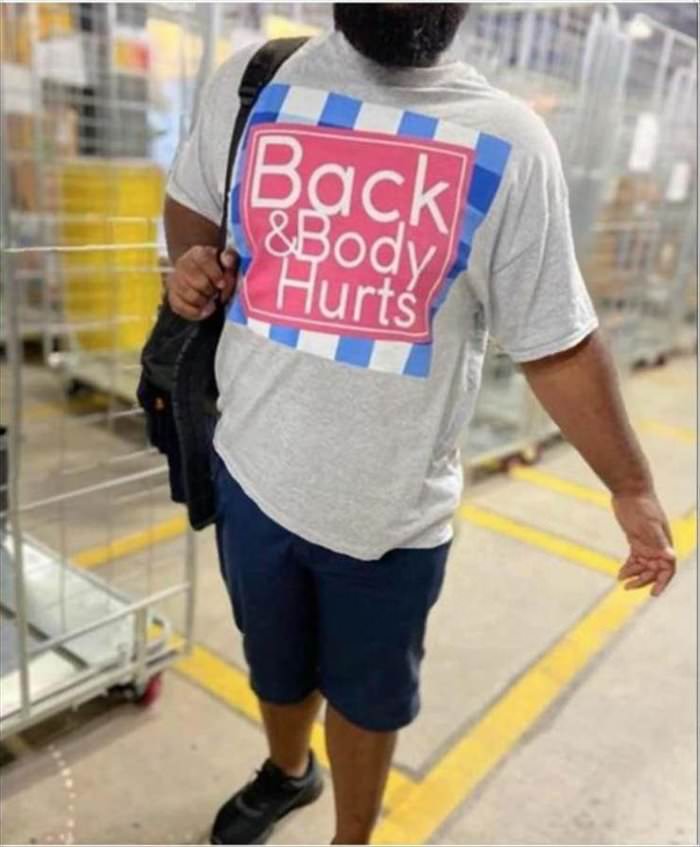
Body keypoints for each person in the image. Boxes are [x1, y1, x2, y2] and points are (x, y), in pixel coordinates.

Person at [163, 5, 677, 844]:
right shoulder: (257, 83)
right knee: (275, 666)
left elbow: (555, 341)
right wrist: (189, 263)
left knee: (369, 700)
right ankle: (288, 771)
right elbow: (192, 200)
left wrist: (631, 485)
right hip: (253, 475)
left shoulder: (508, 143)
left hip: (391, 518)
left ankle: (352, 836)